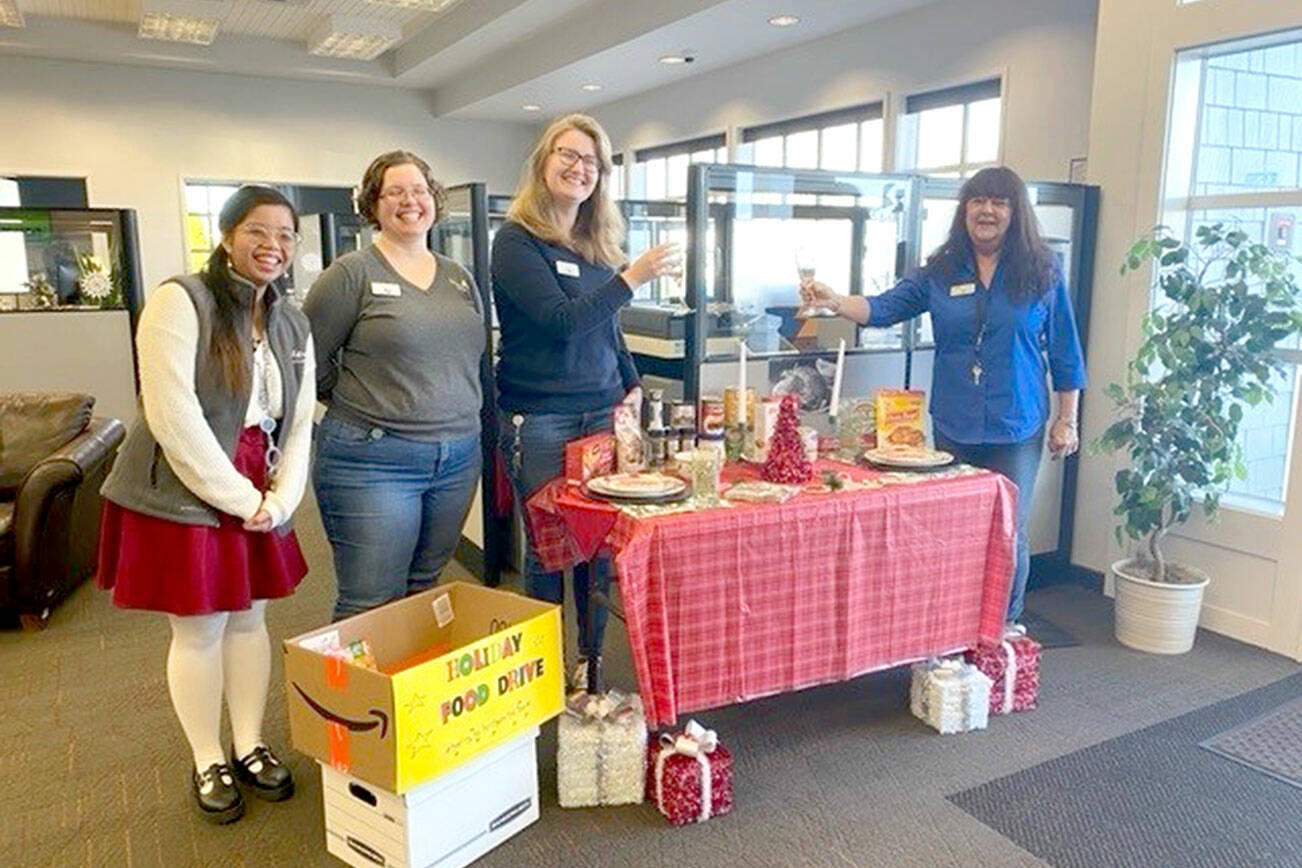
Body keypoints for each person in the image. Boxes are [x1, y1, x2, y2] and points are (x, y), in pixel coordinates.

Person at [96, 185, 314, 824]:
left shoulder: (290, 319)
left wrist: (281, 498)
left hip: (258, 484)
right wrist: (243, 498)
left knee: (251, 620)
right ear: (226, 236)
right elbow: (172, 416)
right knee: (200, 628)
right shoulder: (179, 300)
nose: (273, 245)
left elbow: (299, 419)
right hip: (188, 487)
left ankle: (249, 744)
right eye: (257, 231)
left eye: (285, 235)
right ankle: (207, 757)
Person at [800, 165, 1086, 627]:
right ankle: (957, 622)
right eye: (977, 201)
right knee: (957, 526)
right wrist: (835, 301)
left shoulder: (1041, 269)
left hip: (1017, 422)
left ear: (1016, 212)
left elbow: (1065, 347)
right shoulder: (942, 269)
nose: (986, 210)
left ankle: (1002, 627)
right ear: (965, 210)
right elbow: (883, 309)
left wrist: (1066, 418)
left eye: (999, 202)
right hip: (955, 420)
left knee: (1008, 528)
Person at [492, 113, 680, 691]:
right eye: (567, 156)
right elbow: (560, 324)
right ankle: (542, 668)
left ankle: (589, 661)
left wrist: (631, 385)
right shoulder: (517, 241)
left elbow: (606, 331)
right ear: (543, 164)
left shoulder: (594, 244)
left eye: (591, 162)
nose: (579, 168)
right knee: (550, 553)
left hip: (601, 414)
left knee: (596, 548)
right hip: (542, 419)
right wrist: (632, 276)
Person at [304, 151, 485, 619]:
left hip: (458, 457)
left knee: (425, 589)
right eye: (396, 192)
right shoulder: (351, 274)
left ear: (435, 199)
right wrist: (361, 400)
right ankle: (355, 696)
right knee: (371, 599)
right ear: (374, 203)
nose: (411, 201)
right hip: (373, 459)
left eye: (420, 190)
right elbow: (306, 362)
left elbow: (470, 356)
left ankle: (411, 694)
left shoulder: (458, 277)